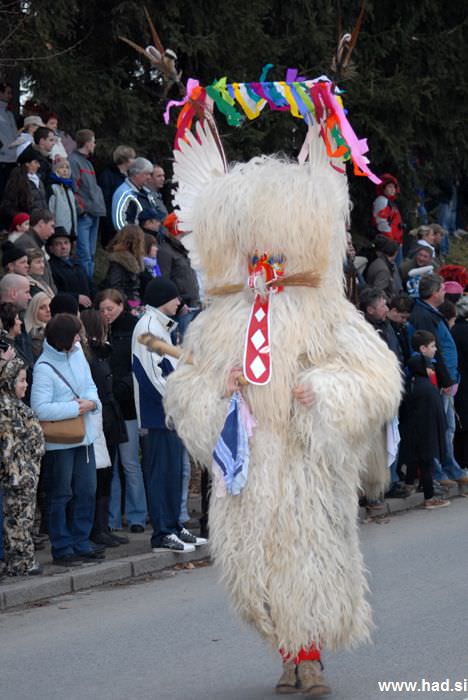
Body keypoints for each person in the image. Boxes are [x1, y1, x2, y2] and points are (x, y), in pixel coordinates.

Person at [132, 277, 205, 552]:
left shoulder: (160, 327)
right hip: (159, 415)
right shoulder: (147, 327)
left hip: (171, 414)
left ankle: (174, 526)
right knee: (161, 474)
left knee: (174, 473)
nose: (179, 302)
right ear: (164, 298)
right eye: (175, 297)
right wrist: (178, 401)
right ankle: (162, 532)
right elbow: (151, 376)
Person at [30, 313, 103, 566]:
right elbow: (40, 409)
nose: (79, 339)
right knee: (60, 494)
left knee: (87, 491)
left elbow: (90, 386)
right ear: (63, 338)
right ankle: (62, 547)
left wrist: (92, 403)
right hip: (60, 442)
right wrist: (77, 408)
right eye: (75, 335)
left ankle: (81, 542)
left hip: (84, 436)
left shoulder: (78, 354)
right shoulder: (43, 367)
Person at [95, 289, 147, 532]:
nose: (107, 313)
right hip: (107, 407)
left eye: (110, 308)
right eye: (103, 309)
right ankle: (112, 518)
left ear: (121, 306)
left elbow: (136, 366)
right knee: (111, 466)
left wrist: (122, 387)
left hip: (126, 406)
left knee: (130, 463)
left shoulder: (134, 328)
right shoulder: (99, 330)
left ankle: (137, 516)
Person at [409, 274, 468, 488]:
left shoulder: (431, 312)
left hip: (446, 381)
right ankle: (439, 470)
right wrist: (445, 379)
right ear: (434, 293)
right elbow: (435, 351)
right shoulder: (424, 315)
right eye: (442, 289)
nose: (445, 292)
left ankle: (451, 467)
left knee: (448, 427)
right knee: (440, 429)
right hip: (438, 381)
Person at [80, 310, 129, 547]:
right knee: (99, 475)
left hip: (110, 417)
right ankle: (95, 529)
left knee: (108, 474)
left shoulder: (102, 353)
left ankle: (103, 526)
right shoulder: (88, 357)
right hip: (99, 418)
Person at [0, 356, 45, 575]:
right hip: (18, 478)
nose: (25, 385)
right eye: (21, 380)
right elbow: (9, 448)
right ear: (9, 381)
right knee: (17, 521)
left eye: (25, 380)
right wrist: (17, 477)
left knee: (24, 520)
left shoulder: (17, 407)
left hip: (26, 474)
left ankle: (23, 560)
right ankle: (20, 563)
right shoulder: (7, 410)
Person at [399, 330, 450, 509]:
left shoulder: (417, 374)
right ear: (422, 349)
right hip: (423, 425)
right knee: (425, 458)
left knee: (418, 457)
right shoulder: (420, 374)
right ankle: (429, 498)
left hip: (418, 425)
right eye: (432, 346)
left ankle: (410, 484)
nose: (435, 349)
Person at [68, 129, 106, 279]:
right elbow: (73, 188)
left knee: (90, 254)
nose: (94, 145)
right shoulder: (74, 161)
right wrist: (81, 209)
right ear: (88, 143)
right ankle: (84, 286)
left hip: (93, 212)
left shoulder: (87, 162)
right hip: (84, 214)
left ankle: (89, 285)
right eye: (93, 141)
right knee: (84, 255)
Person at [98, 144, 136, 247]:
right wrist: (109, 222)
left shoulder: (129, 176)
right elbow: (105, 199)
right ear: (126, 159)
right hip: (112, 221)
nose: (134, 161)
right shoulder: (108, 175)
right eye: (132, 158)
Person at [46, 227, 92, 308]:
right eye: (58, 244)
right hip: (67, 309)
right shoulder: (50, 268)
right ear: (51, 249)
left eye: (66, 243)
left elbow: (90, 284)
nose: (63, 247)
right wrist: (76, 297)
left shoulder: (78, 264)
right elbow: (53, 292)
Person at [101, 224, 144, 311]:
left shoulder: (131, 259)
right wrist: (132, 306)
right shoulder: (119, 261)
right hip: (124, 305)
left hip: (130, 303)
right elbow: (115, 288)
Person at [15, 208, 56, 293]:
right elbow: (33, 276)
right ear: (41, 223)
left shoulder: (34, 242)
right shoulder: (26, 242)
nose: (53, 232)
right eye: (51, 226)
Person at [1, 149, 47, 222]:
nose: (39, 165)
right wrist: (23, 219)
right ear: (27, 163)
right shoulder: (17, 181)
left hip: (40, 223)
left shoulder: (39, 180)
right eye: (36, 162)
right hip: (26, 224)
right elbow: (8, 207)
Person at [111, 157, 154, 230]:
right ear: (136, 174)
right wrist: (134, 236)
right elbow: (119, 223)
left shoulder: (146, 193)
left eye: (150, 174)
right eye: (147, 174)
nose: (149, 177)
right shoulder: (124, 193)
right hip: (134, 236)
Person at [452, 296, 468, 470]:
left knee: (458, 424)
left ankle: (459, 461)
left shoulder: (453, 329)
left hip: (456, 380)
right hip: (464, 383)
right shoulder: (464, 331)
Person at [365, 235, 402, 300]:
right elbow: (377, 292)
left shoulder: (379, 261)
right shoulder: (384, 271)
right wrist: (390, 301)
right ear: (395, 253)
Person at [48, 158, 78, 237]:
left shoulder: (69, 188)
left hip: (71, 229)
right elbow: (51, 210)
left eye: (67, 168)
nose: (65, 170)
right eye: (61, 167)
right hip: (59, 230)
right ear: (56, 170)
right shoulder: (53, 187)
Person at [372, 173, 403, 244]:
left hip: (395, 241)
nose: (393, 189)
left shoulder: (389, 202)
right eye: (389, 187)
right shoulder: (382, 200)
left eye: (394, 187)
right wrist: (390, 240)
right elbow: (382, 222)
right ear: (383, 188)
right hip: (388, 242)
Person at [0, 82, 18, 197]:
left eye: (11, 93)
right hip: (2, 159)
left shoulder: (9, 114)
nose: (10, 96)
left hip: (13, 159)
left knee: (10, 194)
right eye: (8, 93)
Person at [24, 292, 51, 359]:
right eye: (42, 308)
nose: (48, 310)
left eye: (50, 306)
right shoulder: (35, 334)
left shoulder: (54, 327)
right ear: (34, 310)